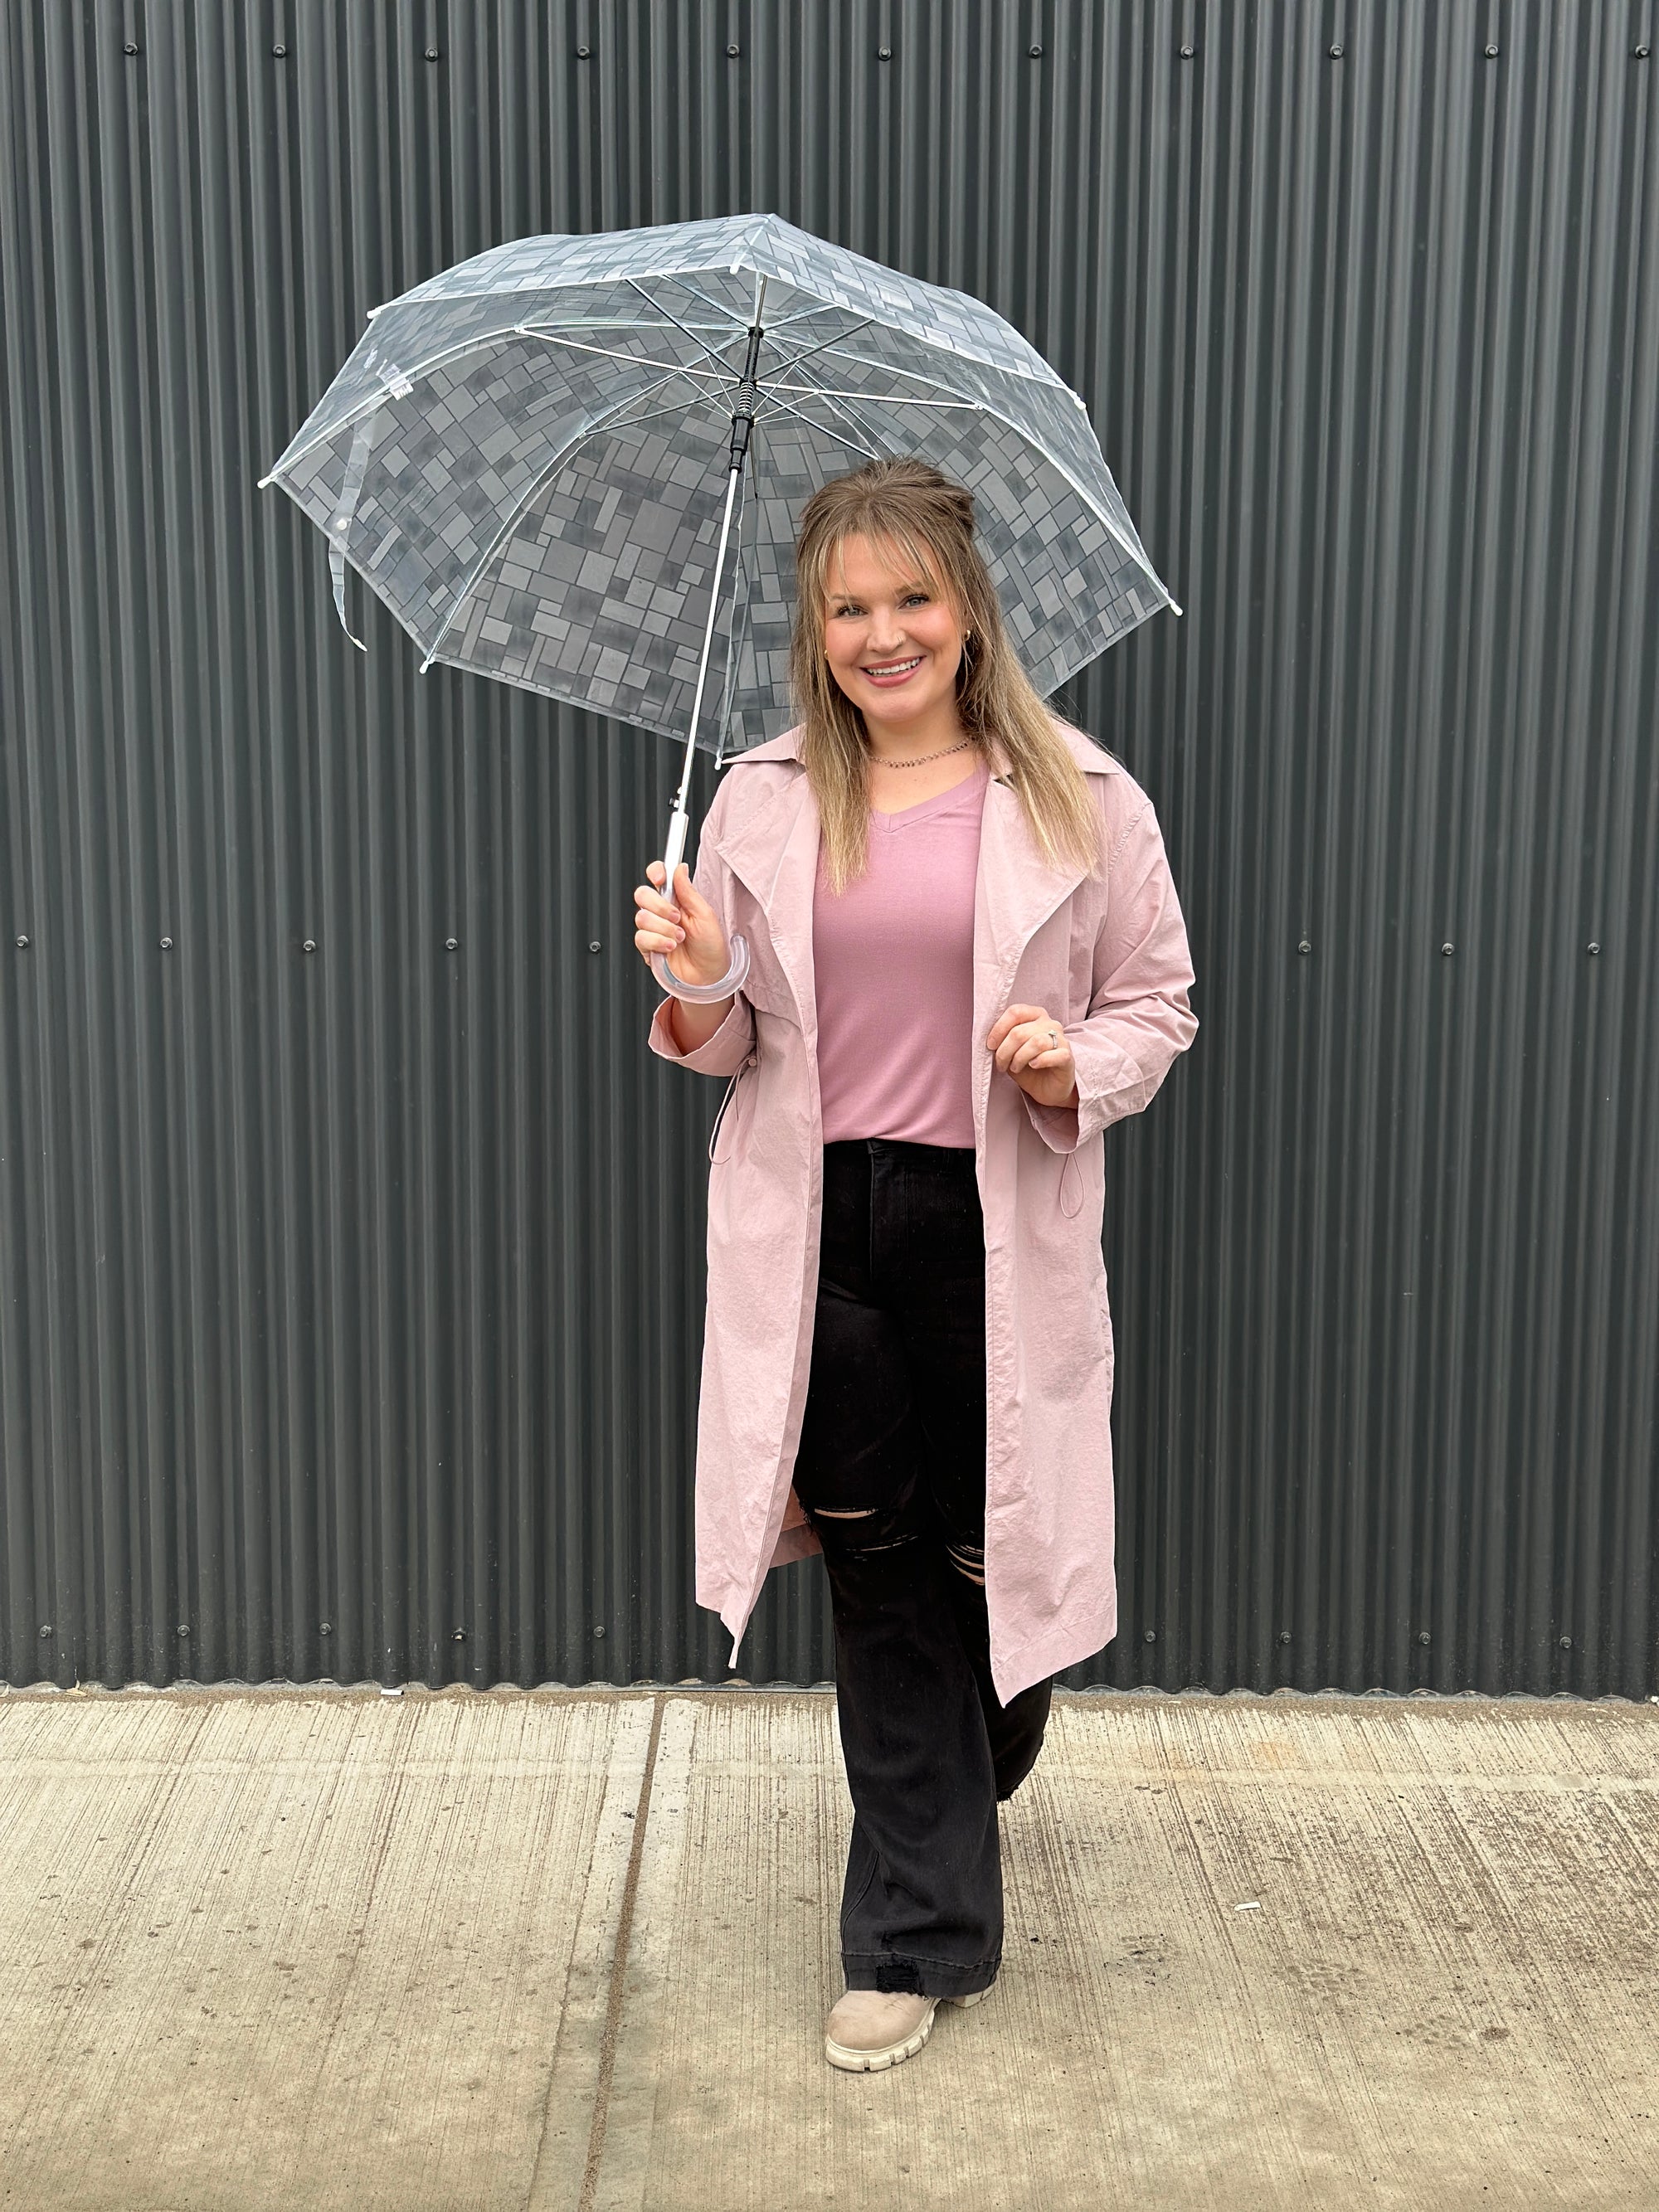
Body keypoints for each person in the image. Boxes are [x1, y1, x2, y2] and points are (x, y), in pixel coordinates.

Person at [633, 457, 1197, 2073]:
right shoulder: (759, 798)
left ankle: (961, 1762)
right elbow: (733, 1041)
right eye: (848, 606)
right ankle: (911, 1936)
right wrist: (699, 977)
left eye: (910, 597)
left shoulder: (1082, 797)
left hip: (987, 1222)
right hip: (816, 1222)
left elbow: (1156, 1002)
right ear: (813, 629)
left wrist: (1067, 1061)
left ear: (967, 610)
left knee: (982, 1557)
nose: (882, 634)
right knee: (879, 1566)